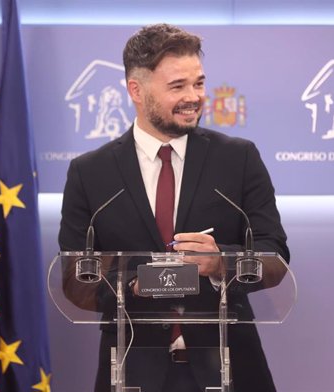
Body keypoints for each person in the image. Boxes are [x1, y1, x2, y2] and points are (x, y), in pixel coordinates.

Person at [59, 23, 289, 392]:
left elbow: (275, 257)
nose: (194, 97)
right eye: (178, 86)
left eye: (198, 83)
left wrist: (221, 262)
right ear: (137, 89)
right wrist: (130, 286)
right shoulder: (90, 172)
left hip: (228, 369)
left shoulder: (239, 158)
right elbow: (75, 278)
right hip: (131, 373)